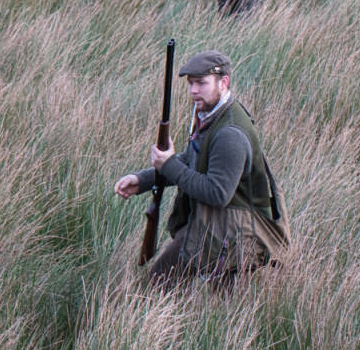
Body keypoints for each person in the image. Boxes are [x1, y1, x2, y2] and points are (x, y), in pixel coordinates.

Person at [114, 50, 289, 290]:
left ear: (223, 82)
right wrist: (143, 180)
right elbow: (193, 159)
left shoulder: (229, 134)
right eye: (191, 84)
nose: (193, 91)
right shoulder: (213, 114)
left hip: (237, 230)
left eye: (201, 83)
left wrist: (169, 165)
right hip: (225, 222)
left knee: (160, 280)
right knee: (219, 298)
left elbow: (217, 193)